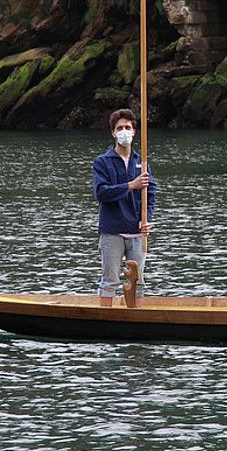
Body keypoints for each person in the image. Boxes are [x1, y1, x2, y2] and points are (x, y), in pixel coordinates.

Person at [92, 108, 154, 306]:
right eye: (120, 128)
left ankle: (137, 318)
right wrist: (130, 186)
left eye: (128, 127)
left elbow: (150, 195)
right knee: (109, 281)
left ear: (134, 131)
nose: (124, 131)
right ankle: (105, 318)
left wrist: (146, 220)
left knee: (139, 282)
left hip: (136, 231)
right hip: (112, 231)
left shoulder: (141, 162)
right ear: (113, 132)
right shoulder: (102, 162)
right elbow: (101, 192)